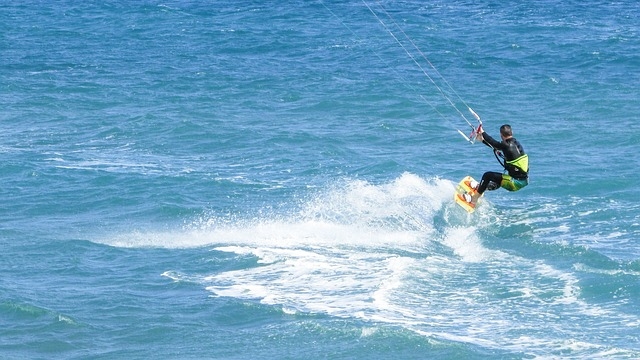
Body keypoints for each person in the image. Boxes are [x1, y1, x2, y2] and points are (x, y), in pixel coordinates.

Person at [458, 124, 529, 208]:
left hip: (515, 183)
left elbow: (495, 144)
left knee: (488, 175)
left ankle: (474, 200)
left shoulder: (506, 145)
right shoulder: (516, 143)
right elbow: (497, 146)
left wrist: (482, 132)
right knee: (498, 180)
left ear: (501, 135)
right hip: (523, 181)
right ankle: (480, 188)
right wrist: (482, 140)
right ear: (511, 132)